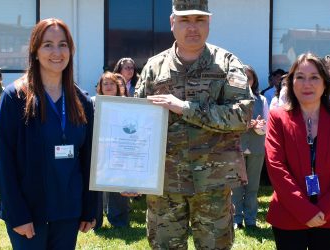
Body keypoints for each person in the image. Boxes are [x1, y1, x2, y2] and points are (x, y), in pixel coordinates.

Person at [135, 0, 253, 248]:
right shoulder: (154, 68)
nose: (192, 27)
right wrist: (131, 175)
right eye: (184, 20)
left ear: (209, 22)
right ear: (172, 22)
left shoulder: (228, 64)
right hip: (165, 185)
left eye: (199, 20)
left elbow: (242, 115)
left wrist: (185, 108)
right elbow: (138, 125)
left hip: (213, 183)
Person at [0, 18, 97, 249]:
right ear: (35, 50)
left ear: (70, 50)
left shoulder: (81, 100)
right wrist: (17, 214)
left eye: (63, 44)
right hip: (29, 213)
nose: (56, 52)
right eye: (48, 44)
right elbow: (5, 161)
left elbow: (88, 158)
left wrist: (89, 208)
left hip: (68, 212)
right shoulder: (15, 98)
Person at [265, 53, 330, 250]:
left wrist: (325, 211)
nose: (307, 84)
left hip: (329, 216)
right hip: (288, 214)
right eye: (300, 77)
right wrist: (305, 211)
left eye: (314, 77)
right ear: (291, 82)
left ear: (325, 82)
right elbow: (276, 167)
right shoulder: (277, 118)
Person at [92, 72, 130, 230]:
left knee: (118, 185)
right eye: (105, 83)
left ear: (117, 86)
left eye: (111, 83)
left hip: (119, 150)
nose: (108, 86)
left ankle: (119, 220)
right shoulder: (92, 102)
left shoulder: (127, 104)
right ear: (100, 87)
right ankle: (95, 221)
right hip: (98, 151)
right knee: (96, 188)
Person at [232, 65, 268, 229]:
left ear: (254, 81)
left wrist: (260, 126)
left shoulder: (262, 100)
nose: (246, 81)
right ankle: (236, 220)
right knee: (236, 188)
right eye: (243, 78)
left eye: (250, 78)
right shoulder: (231, 99)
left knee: (253, 187)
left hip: (256, 148)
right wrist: (246, 125)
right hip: (236, 148)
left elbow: (267, 127)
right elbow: (227, 124)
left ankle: (251, 219)